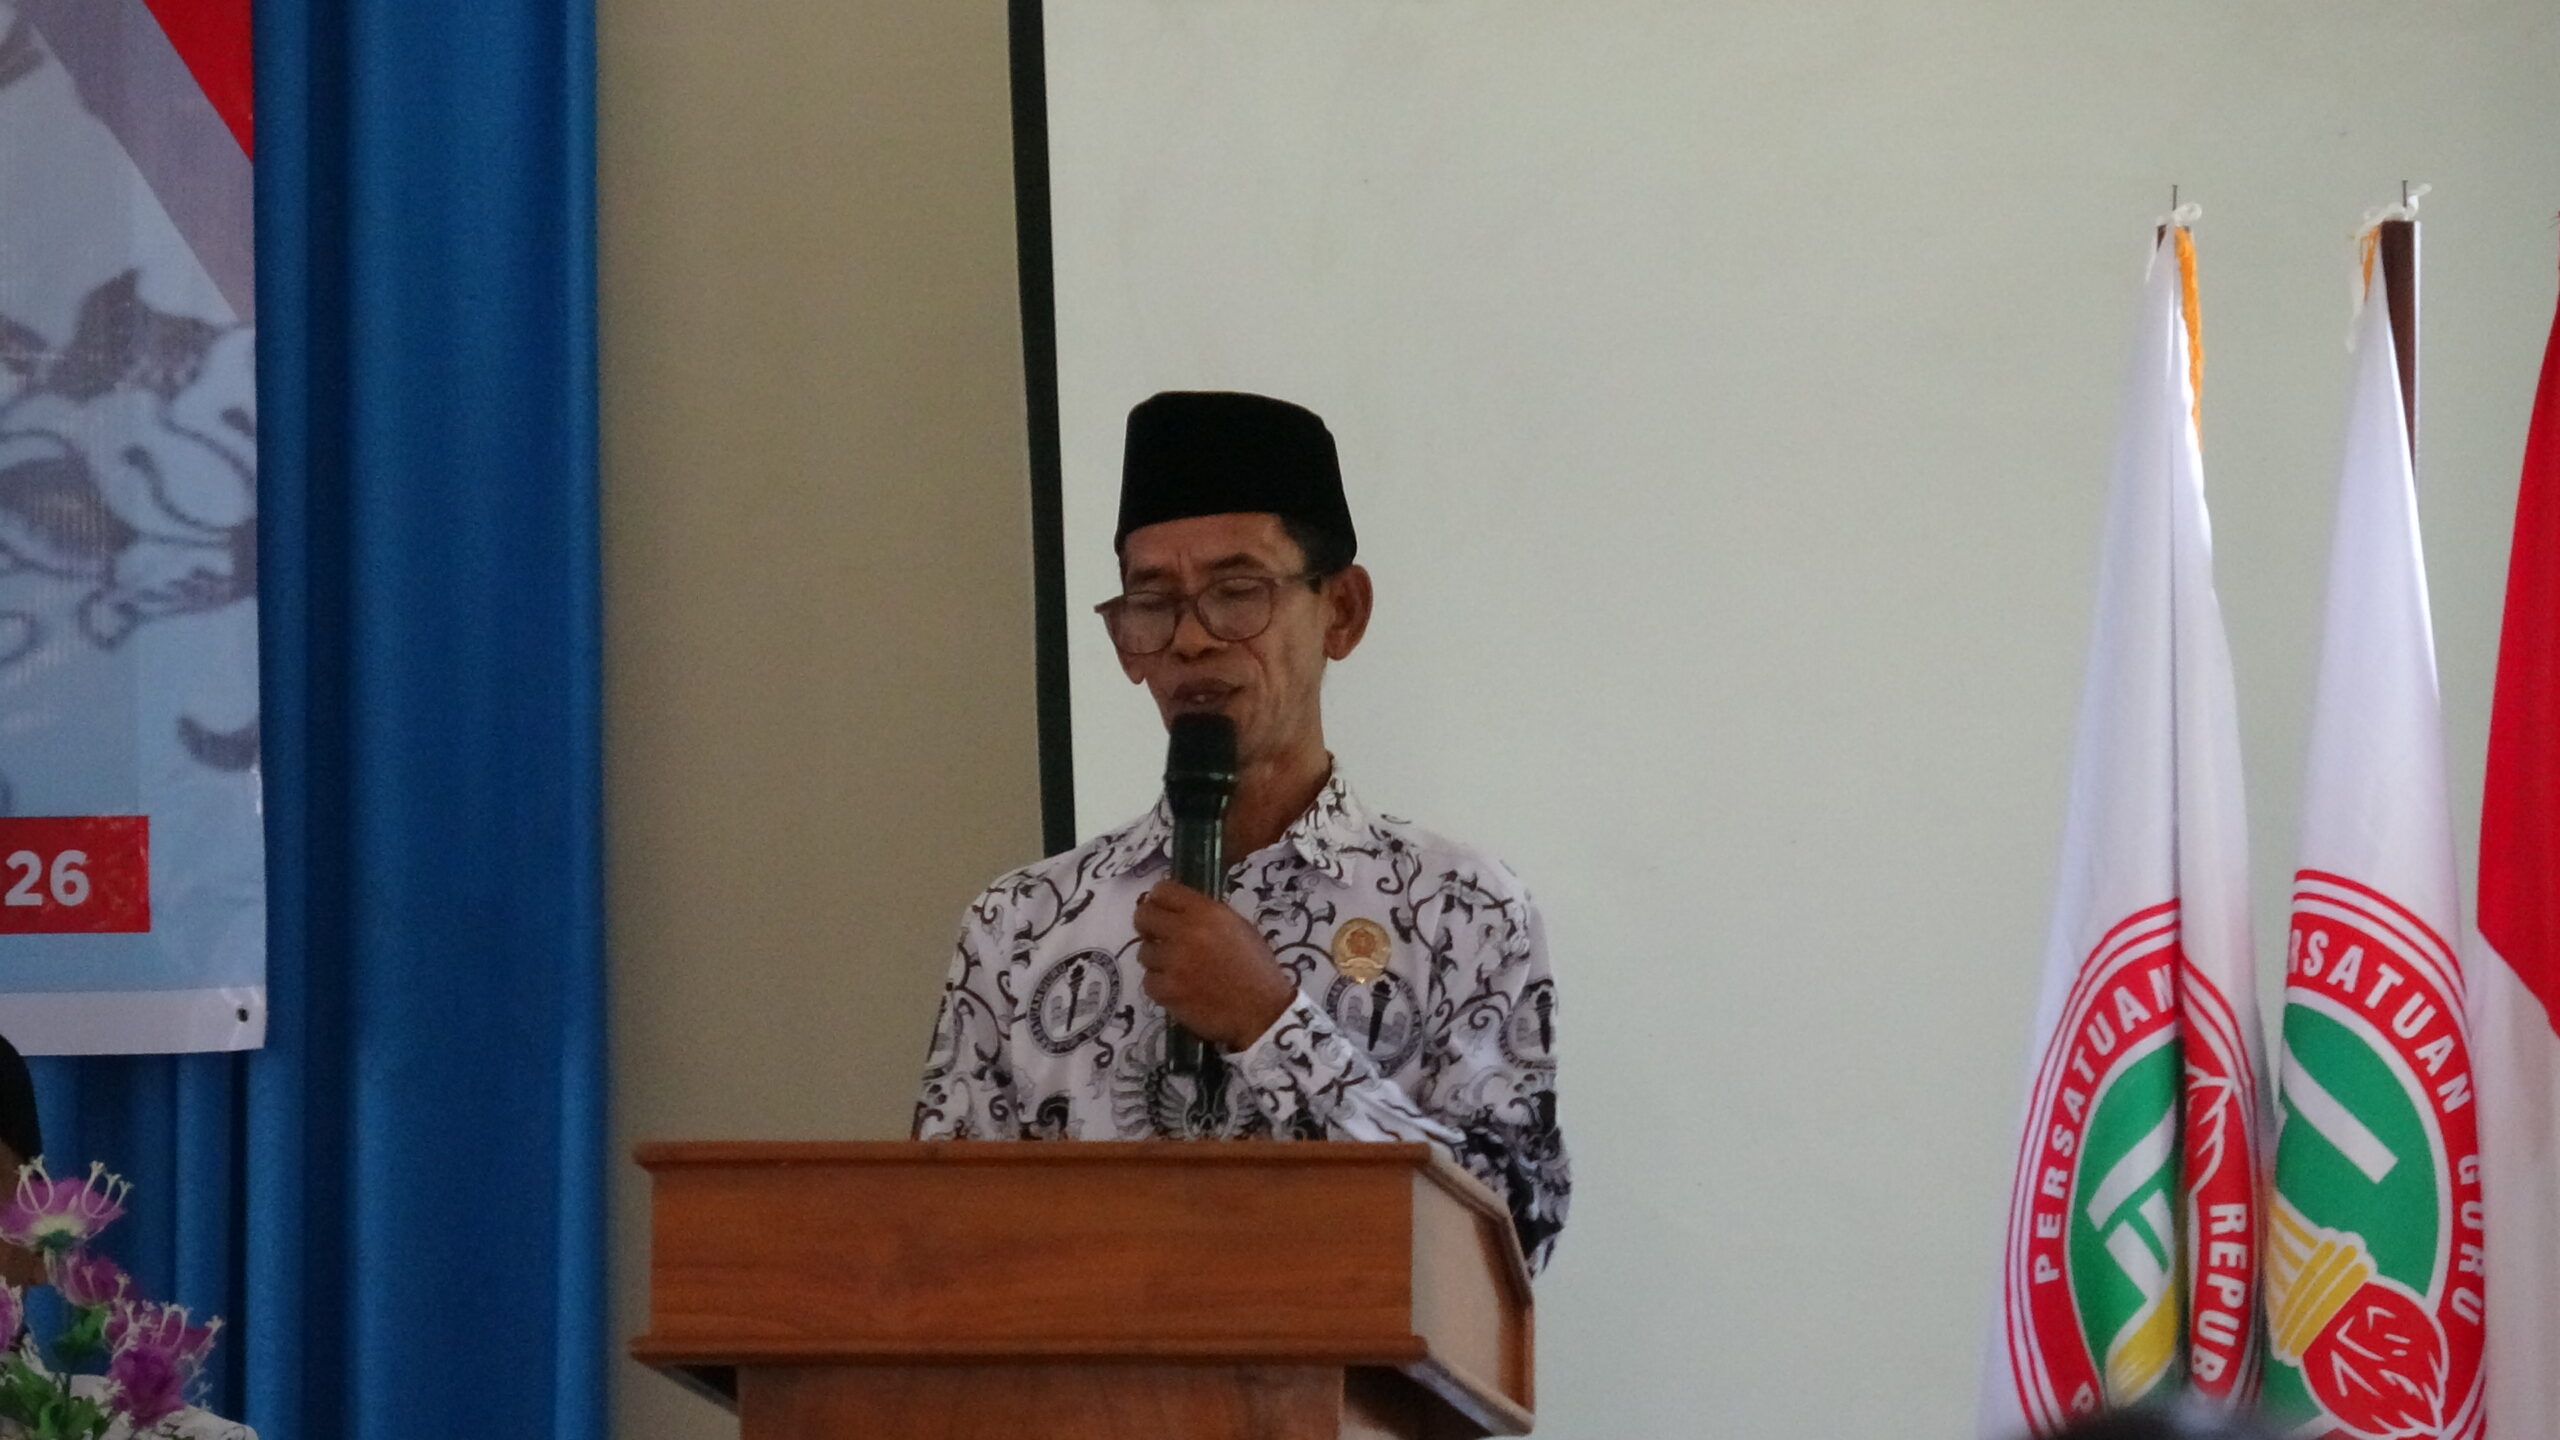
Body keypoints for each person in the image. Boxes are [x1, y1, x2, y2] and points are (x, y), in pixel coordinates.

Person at [913, 390, 1570, 1272]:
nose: (1190, 641)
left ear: (1343, 611)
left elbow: (1509, 1239)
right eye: (1153, 602)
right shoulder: (1020, 928)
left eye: (1235, 593)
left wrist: (1271, 1022)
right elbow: (943, 1249)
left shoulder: (1464, 911)